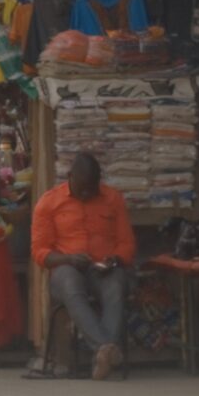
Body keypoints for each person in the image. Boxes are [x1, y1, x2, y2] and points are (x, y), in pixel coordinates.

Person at [31, 150, 136, 380]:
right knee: (70, 285)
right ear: (70, 177)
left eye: (92, 187)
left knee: (117, 284)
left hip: (103, 268)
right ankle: (106, 348)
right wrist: (68, 258)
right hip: (66, 268)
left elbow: (126, 243)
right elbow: (39, 252)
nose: (88, 193)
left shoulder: (113, 199)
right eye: (83, 188)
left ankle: (102, 355)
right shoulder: (49, 202)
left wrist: (115, 258)